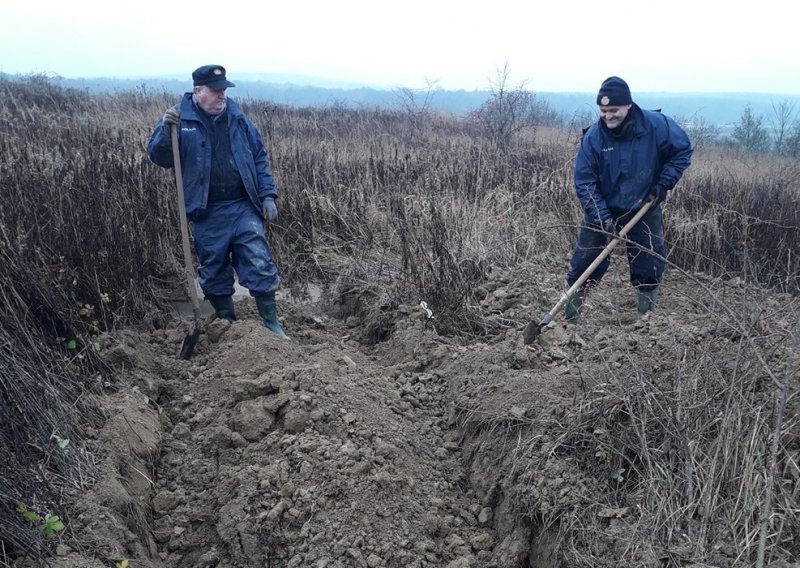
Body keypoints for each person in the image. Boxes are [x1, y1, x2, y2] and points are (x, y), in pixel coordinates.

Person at [147, 64, 288, 339]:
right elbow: (159, 157)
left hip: (242, 205)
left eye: (224, 89)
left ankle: (272, 325)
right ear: (198, 91)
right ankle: (227, 323)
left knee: (258, 260)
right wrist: (165, 133)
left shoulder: (237, 117)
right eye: (215, 90)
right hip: (206, 211)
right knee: (213, 270)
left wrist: (267, 195)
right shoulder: (179, 120)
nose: (222, 95)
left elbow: (259, 156)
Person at [564, 76, 692, 323]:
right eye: (603, 111)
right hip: (602, 209)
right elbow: (585, 182)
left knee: (649, 263)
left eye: (614, 110)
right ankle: (570, 320)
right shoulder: (593, 138)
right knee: (584, 263)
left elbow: (682, 150)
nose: (608, 116)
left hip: (644, 205)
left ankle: (646, 320)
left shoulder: (657, 126)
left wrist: (664, 183)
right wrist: (602, 219)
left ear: (629, 106)